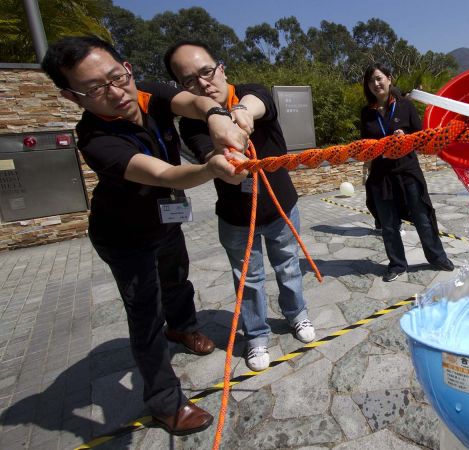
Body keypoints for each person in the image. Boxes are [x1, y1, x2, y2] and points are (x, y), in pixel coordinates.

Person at [41, 36, 249, 435]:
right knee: (145, 313)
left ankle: (184, 325)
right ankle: (164, 402)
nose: (114, 93)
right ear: (72, 96)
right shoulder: (96, 140)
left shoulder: (145, 93)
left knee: (177, 276)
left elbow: (192, 102)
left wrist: (218, 116)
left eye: (116, 77)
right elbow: (165, 174)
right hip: (124, 235)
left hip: (165, 218)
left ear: (127, 67)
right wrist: (211, 169)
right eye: (94, 89)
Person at [164, 41, 316, 372]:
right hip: (236, 219)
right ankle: (256, 335)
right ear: (182, 89)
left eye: (207, 71)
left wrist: (242, 112)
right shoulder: (191, 122)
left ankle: (297, 315)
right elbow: (209, 153)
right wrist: (225, 155)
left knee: (289, 267)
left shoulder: (250, 92)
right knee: (248, 278)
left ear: (221, 68)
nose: (204, 83)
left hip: (281, 208)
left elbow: (256, 102)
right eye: (190, 81)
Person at [360, 63, 454, 282]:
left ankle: (437, 257)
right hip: (381, 176)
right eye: (371, 80)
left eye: (379, 78)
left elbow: (421, 138)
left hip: (407, 172)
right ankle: (397, 264)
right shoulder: (367, 113)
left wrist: (407, 137)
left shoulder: (405, 106)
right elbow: (364, 143)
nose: (376, 84)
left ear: (389, 79)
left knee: (422, 217)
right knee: (389, 223)